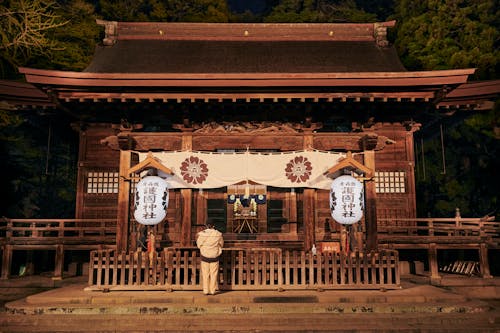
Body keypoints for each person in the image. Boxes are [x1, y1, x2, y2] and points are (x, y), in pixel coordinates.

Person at [196, 222, 224, 295]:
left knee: (205, 274)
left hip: (205, 255)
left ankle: (205, 290)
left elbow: (199, 245)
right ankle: (212, 291)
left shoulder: (202, 234)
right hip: (214, 256)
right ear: (213, 226)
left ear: (206, 226)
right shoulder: (218, 234)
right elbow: (221, 244)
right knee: (214, 274)